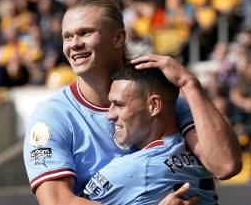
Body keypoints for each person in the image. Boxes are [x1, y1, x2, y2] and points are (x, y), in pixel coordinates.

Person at [23, 0, 241, 205]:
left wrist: (188, 83)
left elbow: (225, 165)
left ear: (119, 38)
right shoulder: (52, 117)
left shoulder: (159, 98)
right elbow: (57, 202)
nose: (75, 44)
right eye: (67, 37)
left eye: (85, 33)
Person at [83, 65, 218, 205]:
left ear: (154, 105)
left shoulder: (129, 170)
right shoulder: (202, 153)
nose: (109, 115)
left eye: (119, 105)